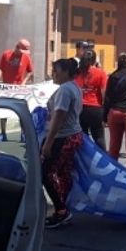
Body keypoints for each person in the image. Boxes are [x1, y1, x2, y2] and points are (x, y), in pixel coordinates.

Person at [42, 59, 84, 229]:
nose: (54, 73)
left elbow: (59, 116)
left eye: (56, 70)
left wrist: (48, 143)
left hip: (63, 136)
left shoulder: (65, 90)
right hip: (73, 134)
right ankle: (64, 207)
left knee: (46, 172)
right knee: (63, 173)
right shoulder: (73, 87)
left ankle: (61, 210)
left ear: (66, 72)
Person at [0, 39, 34, 142]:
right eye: (22, 51)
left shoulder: (26, 57)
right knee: (3, 110)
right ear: (17, 47)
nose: (22, 54)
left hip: (18, 89)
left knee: (21, 111)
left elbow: (30, 72)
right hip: (6, 87)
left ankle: (23, 134)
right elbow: (1, 67)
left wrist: (24, 82)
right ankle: (3, 133)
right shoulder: (6, 54)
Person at [75, 49, 108, 150]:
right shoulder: (101, 73)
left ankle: (85, 159)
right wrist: (105, 112)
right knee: (99, 137)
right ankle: (103, 161)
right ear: (94, 60)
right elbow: (104, 94)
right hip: (95, 108)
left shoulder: (76, 72)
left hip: (80, 108)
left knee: (83, 137)